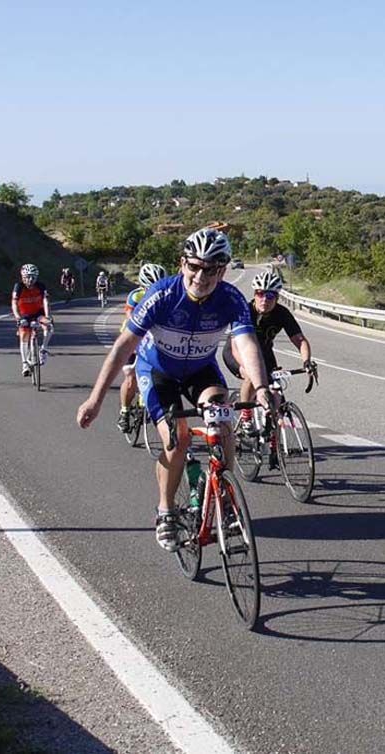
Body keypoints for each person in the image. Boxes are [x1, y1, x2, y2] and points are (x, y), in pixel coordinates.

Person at [77, 228, 272, 550]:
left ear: (222, 270)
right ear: (182, 264)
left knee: (223, 425)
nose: (201, 275)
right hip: (158, 372)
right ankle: (166, 510)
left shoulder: (231, 299)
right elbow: (123, 345)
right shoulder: (163, 295)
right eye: (194, 266)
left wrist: (261, 387)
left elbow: (246, 343)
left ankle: (224, 501)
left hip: (200, 370)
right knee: (177, 438)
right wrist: (95, 399)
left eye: (211, 269)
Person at [222, 269, 316, 429]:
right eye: (260, 294)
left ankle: (274, 441)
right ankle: (246, 417)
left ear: (277, 297)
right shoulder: (245, 311)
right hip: (235, 351)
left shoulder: (282, 313)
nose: (264, 299)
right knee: (252, 376)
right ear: (255, 294)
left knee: (276, 394)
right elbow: (236, 345)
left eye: (270, 295)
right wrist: (246, 366)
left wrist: (306, 361)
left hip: (265, 353)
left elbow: (300, 340)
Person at [116, 262, 168, 433]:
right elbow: (131, 316)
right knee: (130, 375)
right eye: (150, 287)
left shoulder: (167, 295)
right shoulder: (136, 296)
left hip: (152, 340)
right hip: (132, 338)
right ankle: (124, 412)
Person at [12, 263, 54, 377]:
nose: (30, 280)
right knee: (24, 335)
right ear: (22, 277)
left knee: (49, 326)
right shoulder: (18, 287)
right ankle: (25, 364)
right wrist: (18, 318)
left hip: (38, 313)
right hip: (25, 314)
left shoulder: (41, 286)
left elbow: (45, 301)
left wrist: (48, 315)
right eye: (27, 277)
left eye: (33, 277)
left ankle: (43, 350)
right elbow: (14, 303)